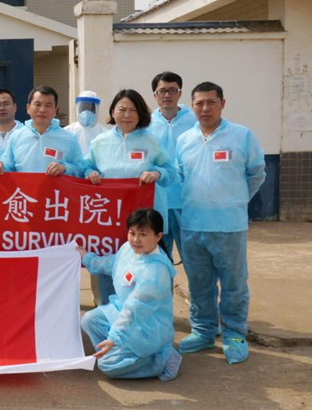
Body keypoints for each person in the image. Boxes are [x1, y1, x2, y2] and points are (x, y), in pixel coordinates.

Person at [176, 82, 265, 365]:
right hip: (192, 225)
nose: (205, 108)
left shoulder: (241, 135)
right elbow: (180, 178)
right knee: (199, 284)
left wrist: (235, 200)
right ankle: (203, 331)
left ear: (222, 103)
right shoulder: (184, 139)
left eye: (211, 102)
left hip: (230, 226)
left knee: (233, 284)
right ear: (192, 106)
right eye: (199, 103)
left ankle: (235, 334)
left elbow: (257, 173)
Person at [84, 89, 177, 304]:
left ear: (141, 113)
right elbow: (85, 165)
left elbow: (171, 171)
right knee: (110, 267)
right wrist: (90, 172)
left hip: (146, 221)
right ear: (112, 112)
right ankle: (111, 312)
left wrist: (157, 173)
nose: (127, 115)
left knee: (150, 269)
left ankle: (154, 315)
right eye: (122, 109)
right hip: (110, 219)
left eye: (133, 110)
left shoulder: (151, 141)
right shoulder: (100, 142)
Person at [78, 208, 182, 381]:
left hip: (146, 325)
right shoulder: (129, 249)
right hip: (124, 310)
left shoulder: (155, 273)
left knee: (107, 366)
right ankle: (121, 351)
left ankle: (162, 359)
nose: (136, 239)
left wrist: (114, 338)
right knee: (90, 320)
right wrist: (87, 258)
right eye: (132, 233)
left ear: (158, 236)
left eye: (143, 234)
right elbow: (112, 263)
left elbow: (134, 309)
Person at [147, 72, 197, 262]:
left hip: (186, 201)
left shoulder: (194, 121)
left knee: (192, 256)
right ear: (155, 95)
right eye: (162, 91)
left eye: (172, 90)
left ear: (180, 93)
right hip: (157, 201)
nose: (167, 95)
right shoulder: (147, 124)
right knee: (158, 258)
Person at [0, 86, 86, 177]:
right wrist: (0, 166)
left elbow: (82, 170)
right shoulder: (16, 136)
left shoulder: (70, 138)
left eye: (48, 105)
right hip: (25, 188)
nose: (42, 110)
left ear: (55, 110)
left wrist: (65, 168)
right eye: (37, 104)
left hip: (57, 189)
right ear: (28, 108)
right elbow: (7, 167)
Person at [65, 90, 110, 155]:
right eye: (83, 108)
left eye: (90, 108)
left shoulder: (105, 134)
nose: (86, 112)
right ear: (78, 109)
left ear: (96, 109)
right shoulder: (67, 132)